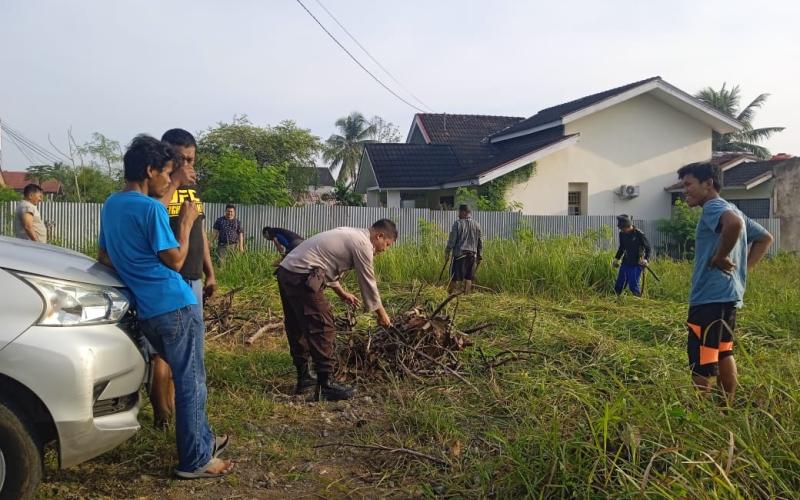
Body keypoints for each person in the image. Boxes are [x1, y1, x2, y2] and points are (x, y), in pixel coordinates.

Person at [97, 135, 233, 478]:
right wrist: (186, 223)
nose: (167, 181)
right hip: (175, 304)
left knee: (182, 377)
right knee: (192, 383)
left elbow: (104, 257)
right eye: (166, 173)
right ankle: (195, 461)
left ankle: (202, 442)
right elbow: (174, 260)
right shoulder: (152, 208)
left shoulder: (112, 205)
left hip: (146, 310)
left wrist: (137, 270)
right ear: (149, 171)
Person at [677, 161, 773, 404]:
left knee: (703, 354)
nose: (684, 190)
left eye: (688, 184)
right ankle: (725, 408)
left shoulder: (714, 206)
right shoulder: (733, 208)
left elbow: (734, 225)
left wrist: (720, 257)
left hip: (709, 297)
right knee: (723, 351)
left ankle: (700, 415)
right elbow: (764, 238)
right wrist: (743, 271)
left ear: (708, 184)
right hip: (728, 295)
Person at [142, 128, 217, 430]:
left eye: (191, 159)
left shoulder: (190, 188)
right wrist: (174, 181)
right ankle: (162, 418)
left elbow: (197, 229)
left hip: (192, 277)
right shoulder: (155, 185)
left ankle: (174, 412)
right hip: (167, 277)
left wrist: (210, 271)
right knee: (163, 353)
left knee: (186, 355)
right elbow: (152, 215)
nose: (187, 164)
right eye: (180, 158)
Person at [277, 220, 396, 401]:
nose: (384, 249)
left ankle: (304, 379)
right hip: (301, 276)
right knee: (323, 327)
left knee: (297, 326)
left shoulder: (351, 234)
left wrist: (341, 292)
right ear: (379, 236)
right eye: (386, 244)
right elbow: (368, 282)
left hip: (287, 272)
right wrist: (382, 314)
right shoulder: (363, 243)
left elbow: (324, 262)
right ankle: (326, 385)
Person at [445, 204, 483, 294]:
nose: (458, 214)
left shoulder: (457, 223)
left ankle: (450, 296)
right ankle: (466, 297)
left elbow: (452, 240)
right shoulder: (477, 225)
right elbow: (480, 242)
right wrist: (479, 255)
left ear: (463, 212)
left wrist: (447, 251)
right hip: (472, 256)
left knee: (454, 277)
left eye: (459, 212)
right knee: (468, 277)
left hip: (460, 255)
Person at [612, 214, 651, 297]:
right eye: (620, 229)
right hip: (626, 262)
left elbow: (648, 248)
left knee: (633, 284)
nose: (621, 230)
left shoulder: (639, 234)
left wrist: (646, 260)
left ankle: (637, 301)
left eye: (623, 229)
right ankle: (616, 299)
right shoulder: (622, 234)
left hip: (637, 264)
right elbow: (622, 247)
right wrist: (617, 258)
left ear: (628, 226)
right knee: (619, 283)